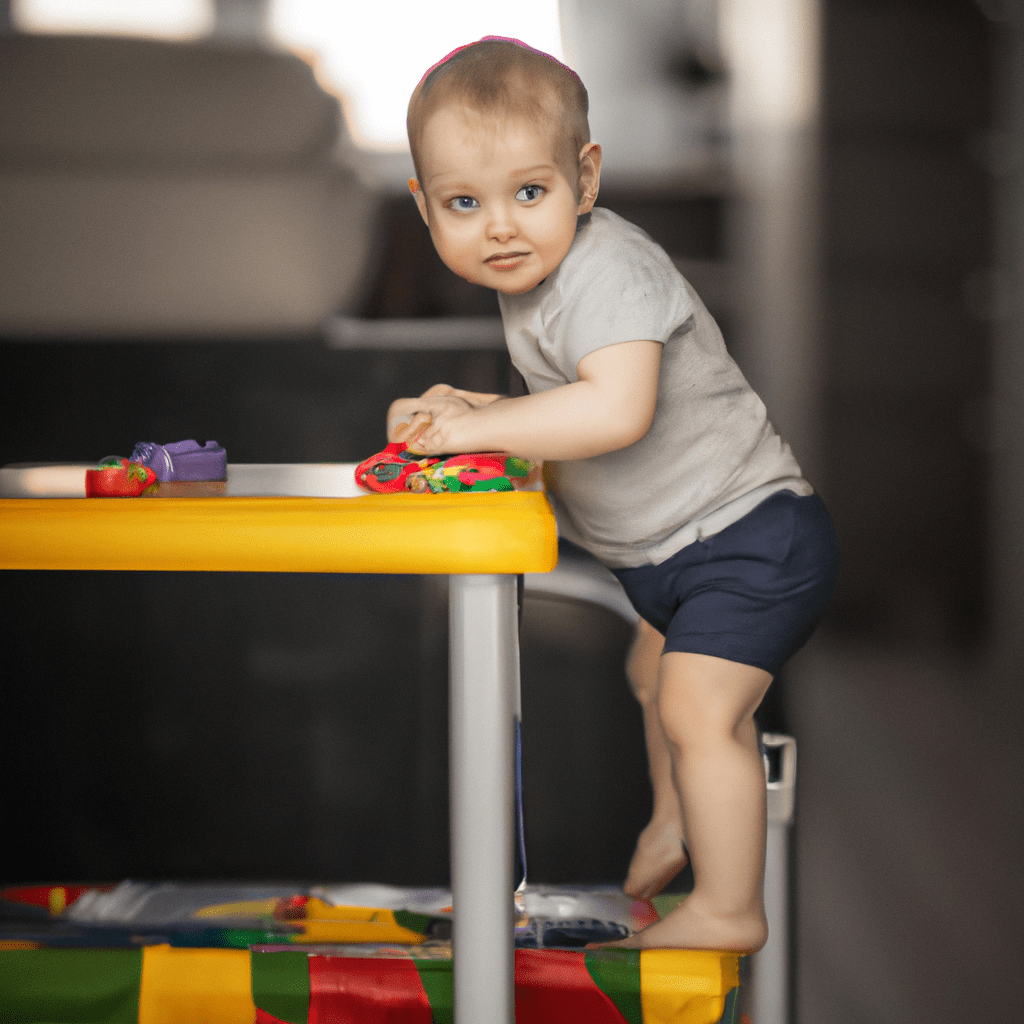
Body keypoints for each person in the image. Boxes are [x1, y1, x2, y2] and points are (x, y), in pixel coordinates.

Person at [387, 36, 839, 952]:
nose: (501, 227)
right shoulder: (536, 278)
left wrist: (480, 429)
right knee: (653, 677)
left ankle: (728, 909)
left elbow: (617, 411)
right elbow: (558, 407)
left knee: (698, 709)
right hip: (674, 555)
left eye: (529, 192)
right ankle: (683, 814)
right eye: (464, 204)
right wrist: (458, 408)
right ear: (424, 210)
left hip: (749, 537)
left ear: (585, 180)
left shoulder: (611, 268)